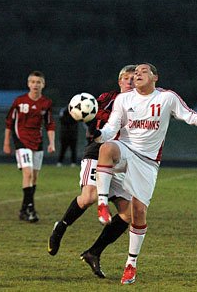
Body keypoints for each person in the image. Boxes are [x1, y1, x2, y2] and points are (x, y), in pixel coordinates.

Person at [92, 63, 197, 284]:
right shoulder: (125, 99)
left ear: (155, 78)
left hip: (148, 162)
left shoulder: (167, 98)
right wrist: (99, 134)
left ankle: (131, 264)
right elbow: (111, 129)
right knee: (107, 148)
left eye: (143, 71)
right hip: (126, 149)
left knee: (138, 212)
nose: (137, 75)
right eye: (135, 73)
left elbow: (191, 116)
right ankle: (102, 204)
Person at [48, 65, 137, 278]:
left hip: (122, 159)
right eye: (127, 79)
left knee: (129, 213)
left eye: (135, 79)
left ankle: (93, 252)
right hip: (98, 152)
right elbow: (93, 114)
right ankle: (61, 227)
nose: (131, 82)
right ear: (120, 81)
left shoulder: (144, 104)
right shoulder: (108, 98)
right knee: (90, 196)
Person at [3, 70, 56, 223]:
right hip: (21, 141)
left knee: (34, 178)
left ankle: (23, 209)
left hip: (37, 142)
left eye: (38, 82)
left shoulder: (46, 103)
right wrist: (6, 143)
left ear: (43, 85)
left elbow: (49, 124)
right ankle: (31, 209)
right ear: (28, 84)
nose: (35, 85)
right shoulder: (19, 101)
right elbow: (9, 122)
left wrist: (51, 143)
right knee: (28, 174)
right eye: (33, 82)